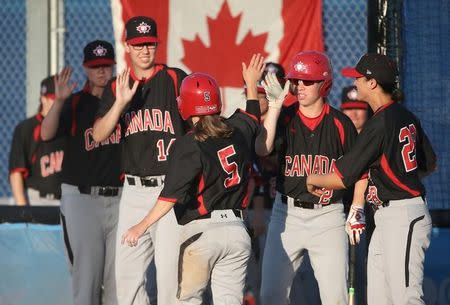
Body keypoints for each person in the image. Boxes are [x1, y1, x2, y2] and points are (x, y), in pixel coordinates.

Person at [121, 54, 264, 305]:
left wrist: (141, 226)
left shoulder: (189, 143)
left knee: (187, 301)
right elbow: (253, 116)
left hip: (203, 232)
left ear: (185, 105)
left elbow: (169, 197)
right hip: (237, 232)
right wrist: (252, 84)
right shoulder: (238, 128)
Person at [306, 53, 437, 305]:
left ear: (373, 83)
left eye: (358, 78)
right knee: (379, 300)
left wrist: (312, 178)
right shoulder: (406, 116)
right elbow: (429, 164)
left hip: (403, 214)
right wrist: (397, 175)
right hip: (388, 215)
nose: (355, 83)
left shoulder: (379, 123)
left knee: (406, 299)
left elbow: (343, 177)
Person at [255, 50, 367, 305]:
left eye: (308, 81)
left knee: (335, 298)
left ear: (324, 84)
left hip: (328, 216)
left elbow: (360, 169)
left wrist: (357, 206)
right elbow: (262, 148)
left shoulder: (340, 124)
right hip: (286, 215)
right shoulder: (285, 117)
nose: (300, 86)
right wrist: (273, 107)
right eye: (296, 81)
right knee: (270, 295)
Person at [92, 16, 188, 305]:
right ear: (128, 47)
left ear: (157, 44)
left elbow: (199, 128)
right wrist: (120, 103)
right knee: (126, 278)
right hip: (133, 192)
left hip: (170, 191)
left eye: (149, 43)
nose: (144, 50)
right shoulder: (117, 86)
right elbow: (98, 134)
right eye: (138, 44)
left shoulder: (175, 79)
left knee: (171, 279)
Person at [40, 40, 120, 305]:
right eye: (95, 66)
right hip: (83, 200)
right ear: (86, 68)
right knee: (86, 284)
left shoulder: (123, 101)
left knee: (119, 284)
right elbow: (46, 134)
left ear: (113, 66)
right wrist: (59, 101)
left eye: (106, 65)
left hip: (121, 199)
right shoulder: (75, 103)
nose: (101, 71)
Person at [9, 75, 65, 206]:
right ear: (43, 99)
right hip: (38, 200)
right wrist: (22, 208)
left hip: (68, 200)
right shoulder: (26, 128)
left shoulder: (69, 124)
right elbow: (16, 172)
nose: (58, 102)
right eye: (54, 99)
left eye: (61, 99)